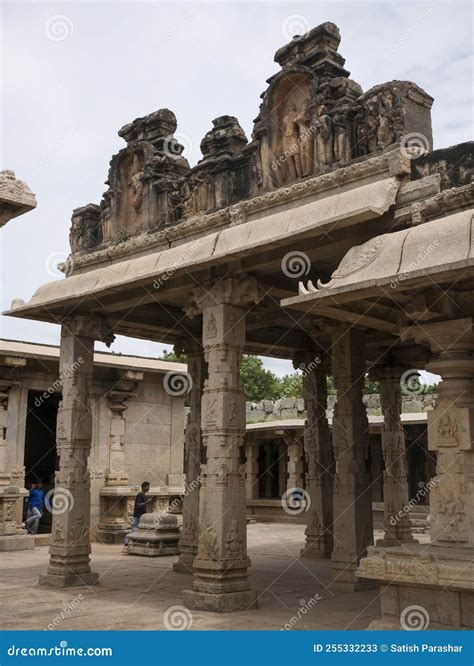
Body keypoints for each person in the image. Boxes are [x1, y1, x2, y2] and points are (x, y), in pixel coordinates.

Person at [124, 482, 150, 547]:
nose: (149, 488)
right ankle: (127, 541)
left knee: (137, 528)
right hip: (138, 515)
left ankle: (130, 541)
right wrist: (147, 502)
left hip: (141, 515)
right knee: (134, 528)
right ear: (144, 487)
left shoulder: (143, 495)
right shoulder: (140, 495)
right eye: (148, 487)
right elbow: (138, 505)